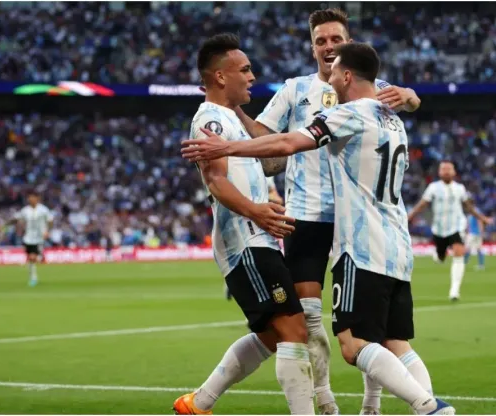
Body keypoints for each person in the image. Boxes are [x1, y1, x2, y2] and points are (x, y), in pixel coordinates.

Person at [183, 42, 455, 415]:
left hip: (362, 245)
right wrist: (409, 97)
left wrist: (227, 149)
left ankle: (427, 407)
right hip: (397, 244)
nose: (328, 79)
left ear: (345, 75)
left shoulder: (348, 114)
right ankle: (205, 402)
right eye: (244, 70)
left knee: (351, 341)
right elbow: (260, 156)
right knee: (391, 341)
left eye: (335, 69)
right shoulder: (392, 118)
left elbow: (286, 142)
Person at [229, 9, 422, 414]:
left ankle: (372, 403)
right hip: (308, 214)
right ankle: (325, 398)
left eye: (336, 39)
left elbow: (410, 101)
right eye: (321, 40)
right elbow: (271, 140)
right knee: (313, 317)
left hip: (356, 218)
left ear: (347, 44)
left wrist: (408, 96)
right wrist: (239, 115)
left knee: (367, 327)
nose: (329, 47)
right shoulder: (295, 89)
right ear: (312, 46)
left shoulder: (371, 88)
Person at [172, 33, 315, 415]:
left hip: (258, 238)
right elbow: (215, 179)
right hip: (245, 240)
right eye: (245, 69)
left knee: (271, 335)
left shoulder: (231, 119)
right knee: (295, 331)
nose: (252, 77)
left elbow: (267, 161)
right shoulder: (210, 120)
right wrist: (258, 211)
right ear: (220, 77)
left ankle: (198, 403)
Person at [407, 162, 493, 301]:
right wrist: (408, 217)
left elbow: (469, 207)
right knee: (441, 258)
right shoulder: (433, 188)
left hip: (456, 227)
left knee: (459, 253)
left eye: (449, 169)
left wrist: (482, 218)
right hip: (439, 229)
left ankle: (454, 291)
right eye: (443, 169)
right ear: (439, 172)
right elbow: (422, 204)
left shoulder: (460, 188)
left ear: (454, 172)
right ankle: (439, 254)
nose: (446, 172)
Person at [12, 190, 53, 287]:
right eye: (29, 197)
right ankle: (33, 277)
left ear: (37, 198)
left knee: (33, 257)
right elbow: (18, 219)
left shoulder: (43, 210)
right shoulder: (25, 210)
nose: (31, 199)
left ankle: (39, 258)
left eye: (33, 197)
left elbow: (50, 221)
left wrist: (47, 231)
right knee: (31, 259)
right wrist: (6, 225)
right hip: (28, 237)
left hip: (39, 237)